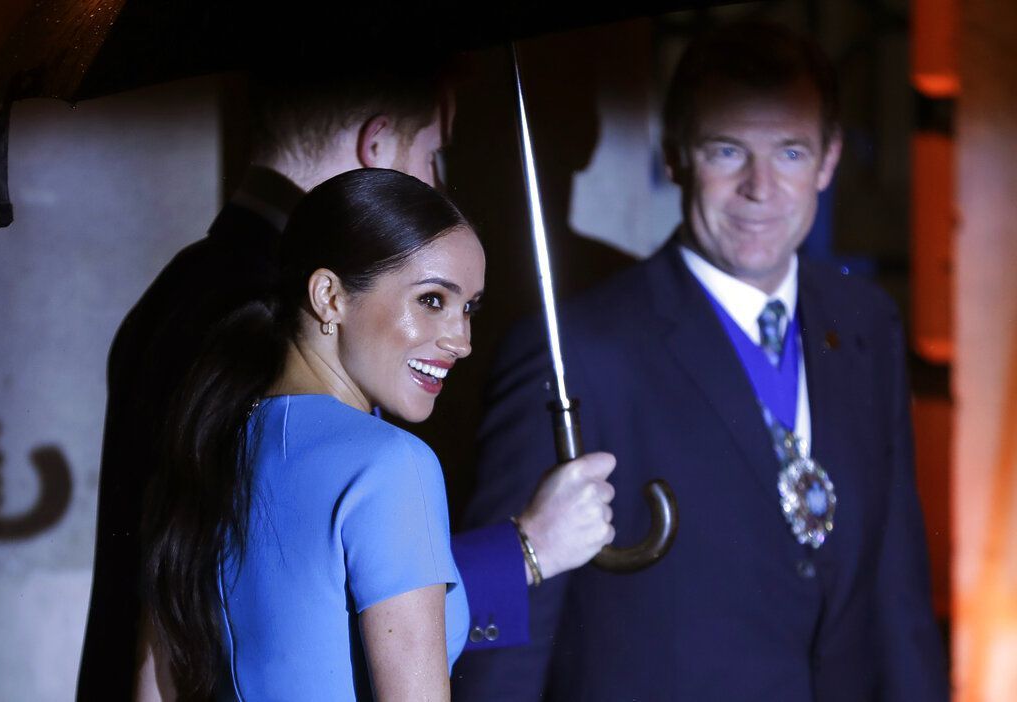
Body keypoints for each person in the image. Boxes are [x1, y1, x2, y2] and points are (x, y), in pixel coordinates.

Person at [78, 61, 616, 700]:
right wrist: (525, 550)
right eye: (434, 157)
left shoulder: (188, 305)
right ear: (377, 147)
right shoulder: (249, 319)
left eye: (465, 307)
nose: (461, 340)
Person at [452, 21, 949, 701]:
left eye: (792, 153)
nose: (761, 187)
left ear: (829, 159)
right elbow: (506, 643)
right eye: (727, 151)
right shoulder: (574, 352)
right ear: (676, 154)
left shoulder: (868, 324)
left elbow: (898, 598)